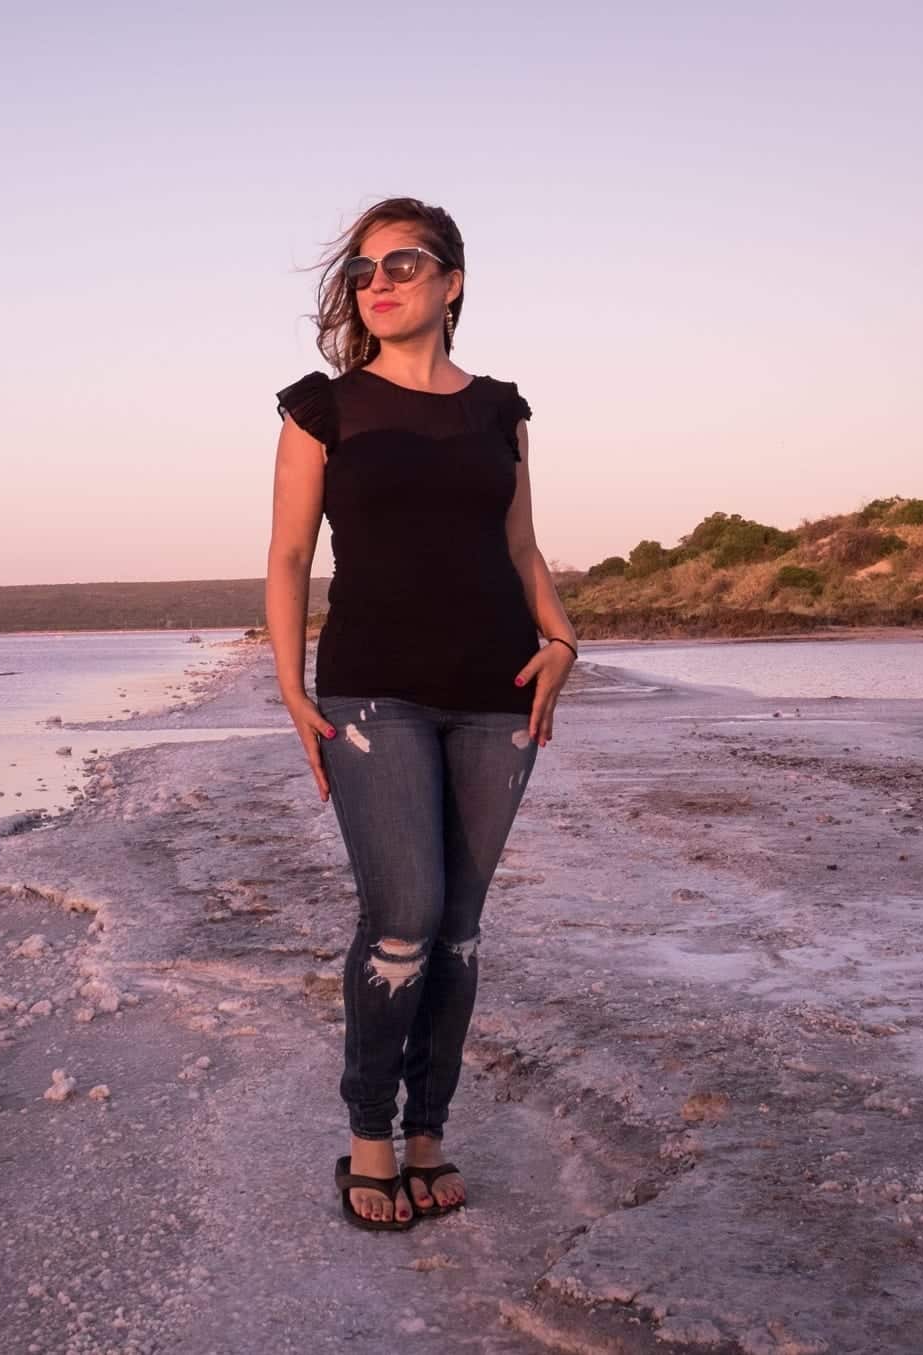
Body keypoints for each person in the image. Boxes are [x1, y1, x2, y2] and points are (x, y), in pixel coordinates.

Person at [264, 196, 577, 1230]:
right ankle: (367, 1133)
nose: (379, 281)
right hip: (370, 692)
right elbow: (286, 556)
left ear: (449, 281)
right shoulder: (323, 407)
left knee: (458, 932)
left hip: (496, 695)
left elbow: (522, 548)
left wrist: (564, 639)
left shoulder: (500, 410)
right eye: (362, 270)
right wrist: (287, 684)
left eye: (402, 262)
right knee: (400, 921)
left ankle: (429, 1128)